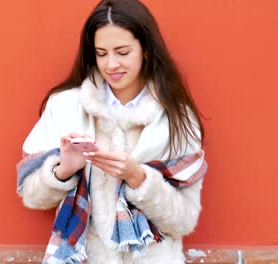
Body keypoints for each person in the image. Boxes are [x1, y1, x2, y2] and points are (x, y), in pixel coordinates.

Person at [17, 0, 207, 263]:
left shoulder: (175, 117)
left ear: (146, 50)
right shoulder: (66, 106)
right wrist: (63, 170)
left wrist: (138, 177)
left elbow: (184, 220)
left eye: (122, 52)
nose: (111, 64)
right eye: (101, 53)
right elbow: (30, 193)